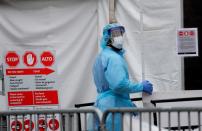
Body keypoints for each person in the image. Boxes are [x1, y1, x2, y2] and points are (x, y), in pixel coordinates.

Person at [92, 23, 153, 131]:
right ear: (107, 37)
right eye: (115, 34)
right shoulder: (114, 58)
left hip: (102, 106)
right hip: (114, 106)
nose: (119, 36)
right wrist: (141, 86)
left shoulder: (101, 56)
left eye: (120, 33)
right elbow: (119, 84)